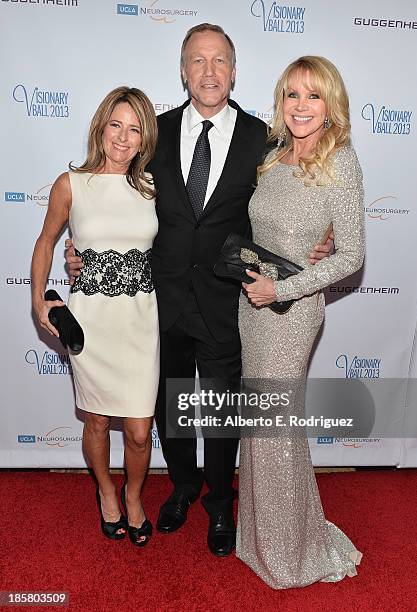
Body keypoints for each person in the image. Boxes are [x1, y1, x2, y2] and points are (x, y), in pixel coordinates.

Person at [66, 24, 333, 557]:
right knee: (170, 404)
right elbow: (113, 196)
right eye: (197, 61)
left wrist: (320, 240)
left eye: (219, 62)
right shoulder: (154, 132)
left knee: (218, 408)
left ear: (234, 71)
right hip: (156, 301)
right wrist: (84, 252)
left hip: (228, 302)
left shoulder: (265, 138)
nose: (208, 72)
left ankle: (218, 501)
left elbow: (295, 201)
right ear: (182, 70)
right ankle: (183, 486)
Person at [236, 56, 364, 587]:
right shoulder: (273, 156)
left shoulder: (342, 162)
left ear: (331, 104)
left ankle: (291, 552)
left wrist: (281, 289)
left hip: (291, 312)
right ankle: (261, 538)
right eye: (292, 94)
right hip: (252, 306)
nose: (301, 106)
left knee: (277, 429)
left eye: (313, 96)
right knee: (262, 427)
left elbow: (350, 255)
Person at [31, 87, 159, 548]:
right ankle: (107, 490)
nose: (123, 139)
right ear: (101, 127)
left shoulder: (153, 187)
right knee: (99, 422)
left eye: (135, 129)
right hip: (91, 320)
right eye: (116, 126)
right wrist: (38, 299)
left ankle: (134, 492)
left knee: (141, 430)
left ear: (145, 139)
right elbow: (46, 241)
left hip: (141, 321)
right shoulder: (71, 183)